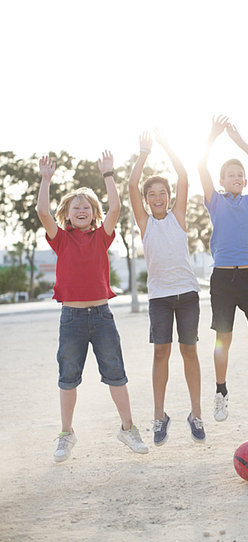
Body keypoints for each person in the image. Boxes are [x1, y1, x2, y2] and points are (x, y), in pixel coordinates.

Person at [36, 151, 148, 462]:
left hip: (102, 317)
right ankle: (66, 434)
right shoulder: (60, 239)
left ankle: (128, 428)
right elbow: (42, 210)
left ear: (94, 214)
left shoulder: (102, 237)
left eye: (87, 207)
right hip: (71, 317)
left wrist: (108, 175)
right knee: (68, 376)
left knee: (116, 374)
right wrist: (46, 179)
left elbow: (116, 207)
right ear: (67, 215)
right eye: (76, 207)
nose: (82, 210)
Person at [198, 115, 248, 422]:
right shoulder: (214, 202)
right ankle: (221, 392)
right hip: (222, 279)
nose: (236, 176)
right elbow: (201, 167)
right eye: (230, 173)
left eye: (239, 174)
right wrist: (212, 135)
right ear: (222, 181)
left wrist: (237, 140)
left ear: (244, 181)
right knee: (223, 338)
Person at [129, 130, 205, 446]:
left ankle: (196, 413)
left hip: (187, 294)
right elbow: (132, 185)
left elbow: (184, 174)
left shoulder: (178, 216)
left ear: (170, 196)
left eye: (162, 193)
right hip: (160, 297)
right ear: (147, 201)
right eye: (152, 195)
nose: (157, 198)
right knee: (161, 352)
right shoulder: (145, 223)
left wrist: (167, 145)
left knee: (190, 351)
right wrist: (145, 151)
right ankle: (159, 417)